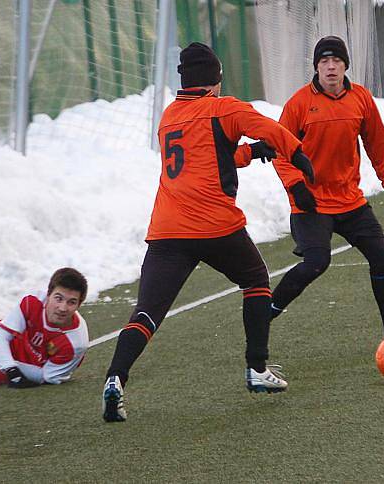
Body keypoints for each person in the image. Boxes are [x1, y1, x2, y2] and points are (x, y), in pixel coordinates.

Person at [101, 42, 315, 422]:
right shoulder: (224, 107)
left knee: (147, 311)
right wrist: (296, 153)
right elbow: (269, 127)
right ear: (215, 80)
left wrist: (251, 153)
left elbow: (209, 157)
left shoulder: (169, 116)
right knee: (256, 280)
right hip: (214, 223)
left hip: (167, 228)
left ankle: (116, 377)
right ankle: (256, 368)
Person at [270, 36, 384, 338]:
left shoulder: (361, 99)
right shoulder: (300, 103)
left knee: (381, 259)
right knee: (316, 263)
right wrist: (295, 185)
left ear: (345, 66)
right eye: (324, 62)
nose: (330, 67)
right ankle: (263, 315)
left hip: (350, 200)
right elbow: (278, 148)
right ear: (316, 67)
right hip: (311, 203)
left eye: (337, 61)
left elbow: (377, 143)